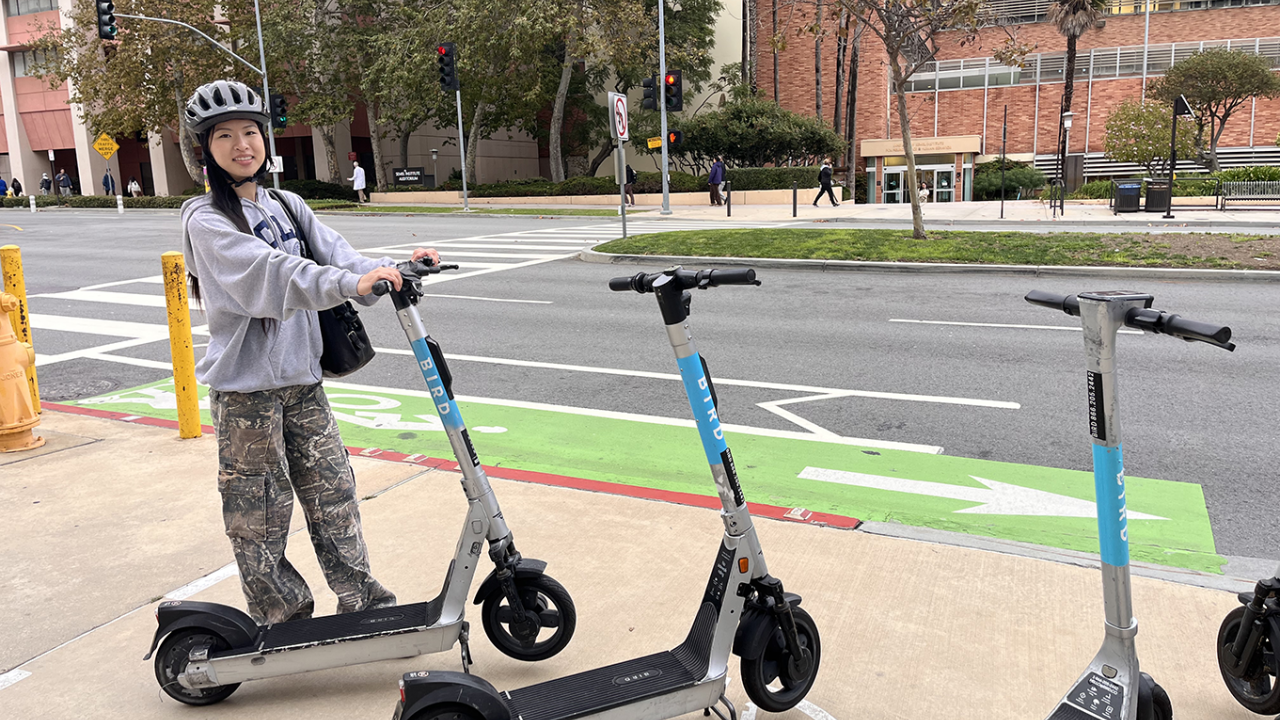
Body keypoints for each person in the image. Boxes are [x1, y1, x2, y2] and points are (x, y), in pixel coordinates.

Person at [180, 79, 439, 625]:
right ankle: (283, 616)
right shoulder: (204, 218)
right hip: (246, 390)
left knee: (333, 493)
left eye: (250, 131)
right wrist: (351, 285)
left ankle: (363, 602)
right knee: (260, 510)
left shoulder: (288, 205)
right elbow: (269, 275)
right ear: (204, 150)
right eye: (223, 135)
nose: (241, 144)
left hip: (303, 380)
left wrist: (394, 265)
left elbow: (342, 256)